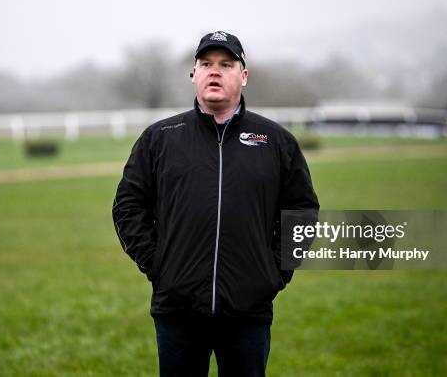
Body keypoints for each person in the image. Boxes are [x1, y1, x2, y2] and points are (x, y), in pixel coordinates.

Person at [112, 30, 319, 377]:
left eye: (226, 64)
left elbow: (301, 210)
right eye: (206, 64)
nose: (214, 71)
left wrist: (273, 274)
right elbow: (128, 206)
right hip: (177, 310)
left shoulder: (276, 141)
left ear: (244, 76)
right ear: (194, 74)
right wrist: (159, 265)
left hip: (248, 312)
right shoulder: (159, 138)